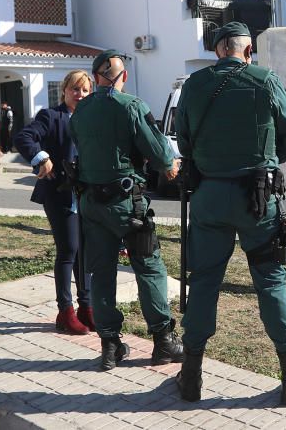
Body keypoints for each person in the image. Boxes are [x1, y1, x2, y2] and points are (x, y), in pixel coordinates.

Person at [174, 21, 286, 406]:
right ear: (248, 50)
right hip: (257, 197)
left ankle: (190, 377)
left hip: (208, 196)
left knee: (203, 282)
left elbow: (183, 140)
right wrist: (264, 163)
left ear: (218, 50)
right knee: (270, 280)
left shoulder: (193, 85)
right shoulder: (265, 80)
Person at [69, 49, 183, 371]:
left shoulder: (80, 111)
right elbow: (160, 152)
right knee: (149, 268)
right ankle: (163, 341)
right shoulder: (132, 106)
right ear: (124, 78)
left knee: (101, 272)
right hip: (127, 205)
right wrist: (169, 165)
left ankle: (109, 345)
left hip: (91, 205)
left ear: (94, 79)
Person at [15, 70, 94, 335]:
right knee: (69, 249)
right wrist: (41, 157)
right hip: (60, 193)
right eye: (75, 89)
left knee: (85, 252)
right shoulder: (51, 116)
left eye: (84, 90)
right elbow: (24, 137)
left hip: (88, 195)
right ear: (64, 90)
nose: (79, 95)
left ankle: (87, 307)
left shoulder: (92, 117)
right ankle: (65, 311)